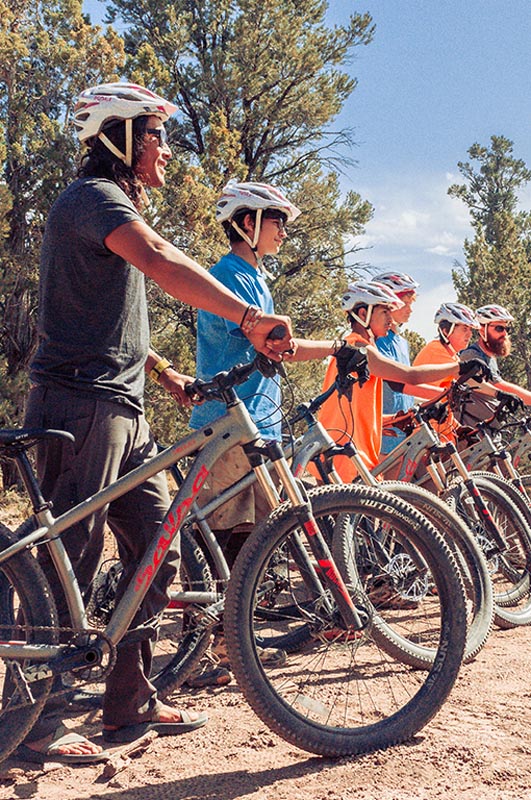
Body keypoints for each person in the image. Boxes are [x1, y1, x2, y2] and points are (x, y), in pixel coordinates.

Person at [18, 83, 294, 764]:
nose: (165, 150)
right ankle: (37, 726)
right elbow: (162, 262)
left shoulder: (111, 209)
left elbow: (103, 312)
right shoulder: (93, 200)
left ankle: (129, 701)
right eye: (156, 135)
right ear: (119, 137)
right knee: (70, 563)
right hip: (79, 404)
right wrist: (251, 320)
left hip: (121, 406)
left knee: (157, 547)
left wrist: (163, 370)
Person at [187, 180, 359, 683]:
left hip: (258, 424)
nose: (283, 231)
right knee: (227, 539)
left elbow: (277, 346)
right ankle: (212, 651)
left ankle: (236, 642)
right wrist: (332, 346)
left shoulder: (257, 278)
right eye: (276, 221)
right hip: (227, 424)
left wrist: (331, 349)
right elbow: (276, 343)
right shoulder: (231, 276)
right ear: (247, 223)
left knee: (262, 534)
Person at [313, 282, 471, 482]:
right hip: (346, 452)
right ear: (363, 314)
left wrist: (400, 417)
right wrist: (459, 368)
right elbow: (410, 376)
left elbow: (365, 408)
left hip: (356, 449)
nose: (390, 318)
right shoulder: (359, 348)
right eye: (385, 312)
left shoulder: (366, 347)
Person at [412, 302, 480, 442]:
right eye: (464, 328)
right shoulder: (436, 350)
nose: (469, 334)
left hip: (439, 429)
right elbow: (469, 380)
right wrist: (498, 393)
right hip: (426, 433)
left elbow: (443, 401)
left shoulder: (452, 355)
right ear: (445, 331)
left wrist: (457, 427)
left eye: (470, 329)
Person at [455, 304, 531, 426]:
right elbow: (499, 386)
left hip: (491, 433)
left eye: (507, 329)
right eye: (499, 328)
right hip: (471, 436)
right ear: (481, 330)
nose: (505, 334)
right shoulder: (471, 356)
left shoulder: (491, 358)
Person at [374, 272, 419, 454]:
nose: (410, 309)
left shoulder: (402, 342)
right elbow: (398, 382)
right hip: (385, 432)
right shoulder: (378, 340)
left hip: (404, 430)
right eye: (405, 303)